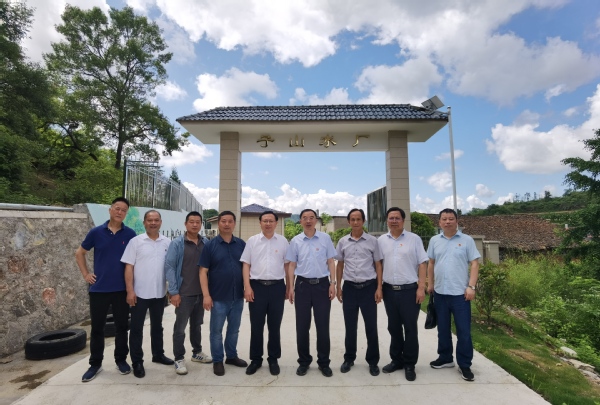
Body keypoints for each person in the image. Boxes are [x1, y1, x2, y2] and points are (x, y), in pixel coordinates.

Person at [75, 197, 137, 382]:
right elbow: (79, 253)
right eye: (117, 208)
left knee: (121, 327)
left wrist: (132, 288)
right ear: (110, 210)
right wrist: (86, 274)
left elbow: (134, 261)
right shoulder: (96, 232)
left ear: (126, 214)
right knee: (97, 329)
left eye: (123, 210)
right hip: (99, 289)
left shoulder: (130, 234)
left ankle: (121, 360)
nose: (120, 212)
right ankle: (95, 364)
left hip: (121, 290)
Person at [427, 208, 481, 382]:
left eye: (451, 218)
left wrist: (471, 286)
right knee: (443, 329)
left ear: (457, 221)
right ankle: (445, 358)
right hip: (440, 293)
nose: (447, 221)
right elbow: (431, 263)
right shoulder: (435, 240)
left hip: (460, 295)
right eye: (444, 219)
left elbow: (474, 264)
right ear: (439, 222)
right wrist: (430, 283)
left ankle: (464, 364)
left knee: (463, 331)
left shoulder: (467, 240)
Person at [121, 210, 174, 378]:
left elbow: (170, 268)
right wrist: (130, 290)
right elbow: (128, 267)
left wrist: (171, 290)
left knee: (157, 327)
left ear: (161, 222)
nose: (153, 223)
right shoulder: (135, 242)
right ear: (144, 222)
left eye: (156, 220)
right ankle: (137, 361)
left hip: (159, 293)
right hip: (139, 294)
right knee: (136, 329)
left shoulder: (167, 242)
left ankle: (158, 354)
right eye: (150, 220)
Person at [377, 207, 428, 381]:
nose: (394, 221)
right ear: (387, 221)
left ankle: (409, 364)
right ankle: (396, 360)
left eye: (397, 218)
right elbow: (378, 265)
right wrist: (379, 288)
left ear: (403, 220)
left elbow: (422, 264)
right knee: (394, 327)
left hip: (409, 291)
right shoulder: (381, 240)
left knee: (410, 328)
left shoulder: (414, 239)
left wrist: (421, 288)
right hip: (389, 291)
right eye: (391, 218)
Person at [286, 208, 337, 377]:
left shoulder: (325, 238)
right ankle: (304, 361)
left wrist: (333, 283)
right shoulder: (295, 241)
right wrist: (291, 287)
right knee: (302, 327)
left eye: (311, 217)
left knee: (322, 326)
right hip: (302, 286)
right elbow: (292, 265)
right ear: (300, 221)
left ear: (316, 220)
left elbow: (331, 262)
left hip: (322, 285)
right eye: (305, 218)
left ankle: (324, 362)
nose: (308, 220)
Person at [240, 210, 290, 376]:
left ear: (276, 223)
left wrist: (289, 286)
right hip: (257, 287)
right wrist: (247, 287)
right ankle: (256, 359)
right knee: (256, 326)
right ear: (260, 223)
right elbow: (246, 264)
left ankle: (273, 359)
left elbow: (287, 265)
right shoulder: (252, 241)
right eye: (265, 221)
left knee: (274, 326)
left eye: (271, 221)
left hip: (277, 287)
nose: (268, 224)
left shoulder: (283, 242)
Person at [199, 210, 248, 376]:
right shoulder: (210, 246)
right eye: (223, 221)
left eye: (230, 221)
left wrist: (247, 287)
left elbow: (247, 268)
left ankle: (231, 356)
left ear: (234, 224)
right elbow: (202, 271)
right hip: (218, 298)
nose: (227, 224)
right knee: (216, 332)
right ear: (218, 223)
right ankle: (218, 360)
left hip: (237, 297)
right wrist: (206, 295)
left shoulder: (241, 244)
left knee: (234, 330)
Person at [336, 208, 383, 377]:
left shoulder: (373, 241)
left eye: (358, 219)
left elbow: (378, 264)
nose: (355, 222)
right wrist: (338, 286)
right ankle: (349, 358)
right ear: (349, 222)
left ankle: (373, 361)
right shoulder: (343, 242)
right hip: (349, 288)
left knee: (371, 326)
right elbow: (340, 264)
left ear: (364, 221)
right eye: (352, 219)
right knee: (350, 326)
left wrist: (379, 287)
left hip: (368, 288)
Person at [164, 211, 212, 376]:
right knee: (180, 328)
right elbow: (170, 267)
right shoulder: (177, 243)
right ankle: (179, 358)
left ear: (201, 224)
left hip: (201, 293)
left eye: (198, 222)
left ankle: (197, 352)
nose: (194, 224)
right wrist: (173, 292)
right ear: (185, 224)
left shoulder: (206, 243)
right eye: (191, 221)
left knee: (196, 325)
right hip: (183, 294)